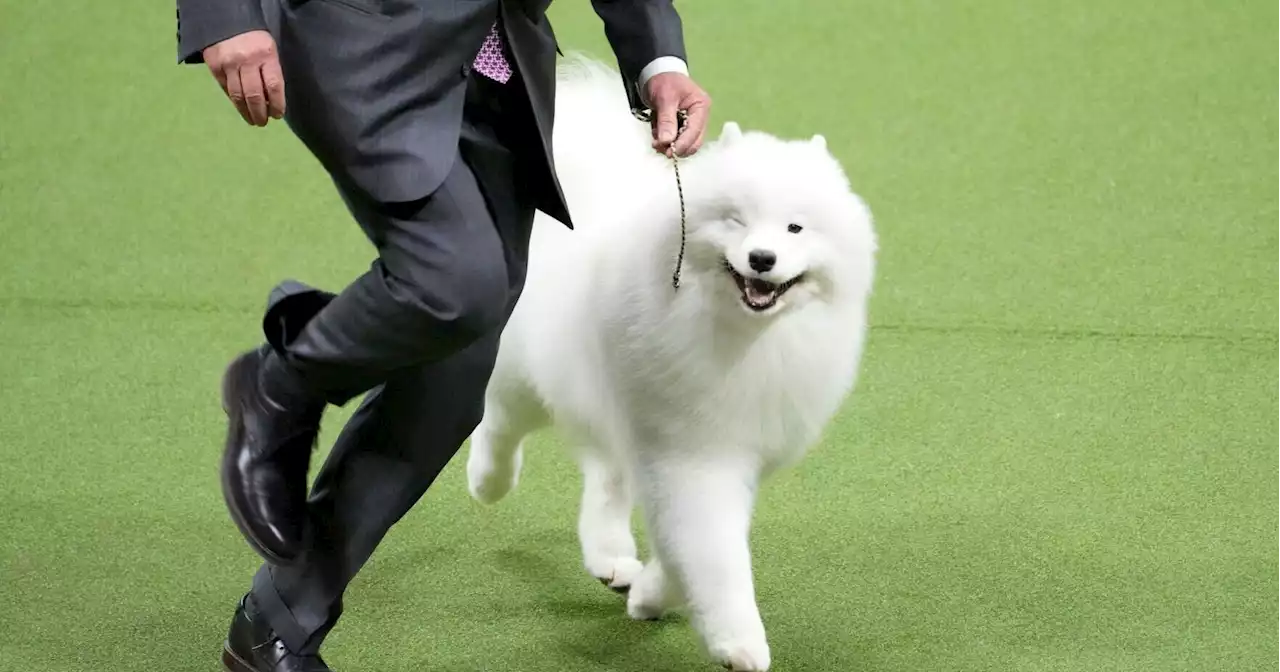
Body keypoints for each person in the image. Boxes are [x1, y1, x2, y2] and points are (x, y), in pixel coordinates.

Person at [174, 1, 711, 670]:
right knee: (458, 280)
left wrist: (659, 58)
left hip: (498, 65)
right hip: (359, 36)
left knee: (453, 376)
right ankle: (279, 381)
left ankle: (282, 616)